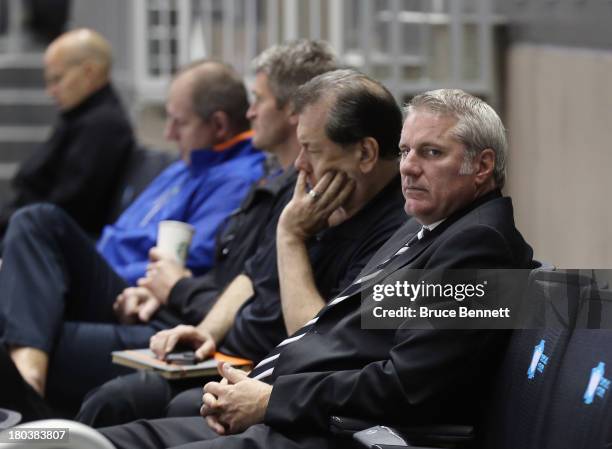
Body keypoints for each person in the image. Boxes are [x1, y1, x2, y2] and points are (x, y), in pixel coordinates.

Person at [99, 86, 534, 449]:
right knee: (98, 436)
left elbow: (407, 386)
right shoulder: (431, 228)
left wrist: (271, 400)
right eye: (404, 151)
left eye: (431, 152)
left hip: (336, 434)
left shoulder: (479, 246)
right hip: (300, 415)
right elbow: (351, 336)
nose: (408, 167)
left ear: (482, 166)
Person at [77, 67, 407, 427]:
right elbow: (252, 274)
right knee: (110, 401)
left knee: (166, 406)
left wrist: (291, 239)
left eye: (311, 149)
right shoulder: (318, 196)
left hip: (289, 385)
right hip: (230, 355)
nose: (299, 164)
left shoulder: (394, 230)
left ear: (366, 154)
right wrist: (206, 331)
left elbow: (318, 344)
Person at [0, 59, 264, 407]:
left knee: (37, 221)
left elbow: (192, 261)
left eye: (178, 122)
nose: (168, 133)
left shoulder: (238, 178)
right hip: (109, 279)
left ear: (217, 124)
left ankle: (29, 391)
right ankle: (29, 399)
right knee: (32, 236)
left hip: (142, 300)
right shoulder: (185, 164)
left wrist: (141, 287)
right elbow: (120, 234)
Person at [0, 28, 135, 237]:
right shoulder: (80, 117)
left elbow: (66, 209)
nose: (50, 90)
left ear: (89, 72)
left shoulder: (103, 126)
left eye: (57, 79)